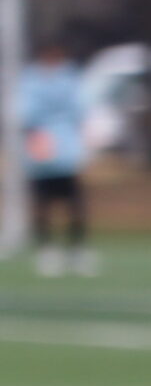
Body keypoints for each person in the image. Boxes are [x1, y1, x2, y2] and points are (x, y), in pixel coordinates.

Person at [19, 40, 97, 277]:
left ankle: (76, 249)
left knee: (75, 203)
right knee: (42, 202)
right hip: (41, 148)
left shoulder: (69, 77)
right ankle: (46, 249)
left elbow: (82, 108)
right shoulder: (31, 80)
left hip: (67, 151)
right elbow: (24, 114)